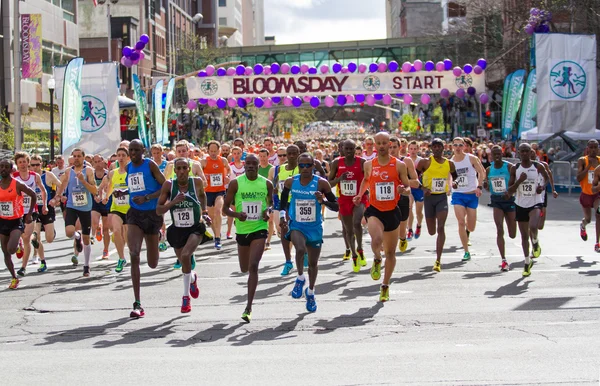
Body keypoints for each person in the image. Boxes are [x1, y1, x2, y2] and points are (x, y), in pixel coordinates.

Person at [354, 132, 410, 302]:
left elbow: (407, 186)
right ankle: (377, 258)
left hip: (392, 211)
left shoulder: (399, 165)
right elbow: (365, 180)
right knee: (377, 240)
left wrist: (403, 190)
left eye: (385, 142)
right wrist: (359, 194)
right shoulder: (369, 164)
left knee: (391, 253)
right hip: (375, 210)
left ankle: (385, 286)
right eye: (379, 143)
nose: (382, 145)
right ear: (374, 145)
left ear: (390, 144)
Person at [280, 153, 338, 312]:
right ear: (298, 166)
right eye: (302, 165)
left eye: (308, 165)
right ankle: (299, 278)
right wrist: (282, 217)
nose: (305, 168)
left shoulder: (322, 184)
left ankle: (311, 291)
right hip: (297, 225)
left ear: (314, 166)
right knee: (299, 248)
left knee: (313, 264)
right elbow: (283, 202)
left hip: (315, 227)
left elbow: (336, 206)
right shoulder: (291, 182)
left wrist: (323, 201)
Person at [118, 139, 166, 318]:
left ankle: (158, 235)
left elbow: (165, 187)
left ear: (143, 151)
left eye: (136, 150)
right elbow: (134, 189)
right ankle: (137, 302)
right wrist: (124, 192)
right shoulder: (129, 167)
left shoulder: (150, 165)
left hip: (152, 214)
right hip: (135, 214)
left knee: (153, 264)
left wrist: (147, 198)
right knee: (134, 254)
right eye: (131, 150)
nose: (133, 153)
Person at [157, 158, 211, 314]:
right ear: (175, 170)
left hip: (195, 227)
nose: (181, 171)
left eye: (184, 168)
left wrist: (205, 212)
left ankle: (185, 298)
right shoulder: (169, 185)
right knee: (184, 262)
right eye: (178, 168)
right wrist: (173, 202)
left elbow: (202, 196)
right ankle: (193, 278)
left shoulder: (197, 183)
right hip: (177, 229)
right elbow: (159, 210)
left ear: (189, 169)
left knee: (186, 256)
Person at [223, 154, 273, 322]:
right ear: (244, 166)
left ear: (259, 166)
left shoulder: (266, 183)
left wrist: (267, 212)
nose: (251, 166)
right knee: (244, 268)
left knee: (253, 266)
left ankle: (248, 307)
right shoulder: (236, 183)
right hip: (242, 231)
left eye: (254, 164)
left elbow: (271, 203)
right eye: (248, 164)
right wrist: (237, 214)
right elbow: (225, 209)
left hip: (259, 229)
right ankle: (248, 305)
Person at [50, 148, 97, 276]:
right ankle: (77, 237)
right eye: (74, 156)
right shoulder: (68, 172)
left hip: (85, 207)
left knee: (87, 238)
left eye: (78, 156)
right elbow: (62, 185)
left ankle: (86, 266)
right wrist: (57, 197)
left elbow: (94, 190)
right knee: (69, 232)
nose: (76, 158)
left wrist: (83, 180)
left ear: (83, 157)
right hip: (72, 205)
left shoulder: (88, 171)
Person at [507, 143, 549, 277]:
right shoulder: (515, 168)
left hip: (535, 202)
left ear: (531, 152)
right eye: (522, 151)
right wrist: (520, 181)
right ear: (518, 153)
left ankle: (535, 242)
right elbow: (510, 190)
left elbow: (546, 178)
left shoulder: (537, 166)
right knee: (524, 235)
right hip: (520, 204)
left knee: (533, 226)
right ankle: (527, 262)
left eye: (527, 151)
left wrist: (541, 187)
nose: (524, 153)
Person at [416, 138, 457, 272]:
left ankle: (438, 260)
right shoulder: (425, 162)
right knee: (432, 231)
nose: (437, 149)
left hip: (441, 198)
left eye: (440, 146)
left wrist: (454, 183)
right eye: (435, 146)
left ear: (444, 148)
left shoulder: (449, 164)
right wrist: (423, 188)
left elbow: (455, 177)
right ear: (431, 148)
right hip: (428, 198)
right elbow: (414, 178)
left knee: (440, 228)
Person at [329, 139, 367, 272]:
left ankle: (360, 248)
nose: (350, 151)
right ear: (342, 149)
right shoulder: (336, 163)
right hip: (344, 200)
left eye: (352, 149)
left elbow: (368, 179)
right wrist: (340, 179)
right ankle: (355, 256)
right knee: (349, 230)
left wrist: (364, 191)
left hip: (359, 199)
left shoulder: (362, 162)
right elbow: (329, 183)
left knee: (357, 223)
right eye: (347, 149)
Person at [0, 159, 36, 289]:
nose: (3, 169)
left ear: (11, 169)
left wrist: (29, 213)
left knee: (11, 248)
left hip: (16, 221)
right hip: (2, 221)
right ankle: (14, 278)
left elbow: (33, 195)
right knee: (6, 253)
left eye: (6, 167)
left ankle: (18, 244)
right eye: (1, 167)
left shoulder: (17, 184)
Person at [450, 137, 485, 261]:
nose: (458, 148)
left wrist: (479, 186)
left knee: (471, 227)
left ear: (464, 146)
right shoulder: (450, 162)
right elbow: (448, 177)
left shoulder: (471, 158)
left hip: (471, 194)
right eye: (456, 145)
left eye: (460, 145)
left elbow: (482, 172)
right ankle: (466, 251)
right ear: (452, 147)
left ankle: (467, 230)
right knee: (460, 222)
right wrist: (450, 185)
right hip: (458, 194)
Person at [13, 152, 47, 276]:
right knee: (31, 239)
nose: (22, 164)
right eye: (20, 162)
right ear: (17, 164)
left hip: (31, 211)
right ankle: (42, 259)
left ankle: (23, 267)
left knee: (26, 238)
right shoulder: (14, 177)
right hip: (18, 212)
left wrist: (45, 205)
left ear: (28, 163)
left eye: (24, 162)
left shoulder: (34, 176)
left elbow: (43, 191)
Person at [484, 146, 516, 271]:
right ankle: (503, 259)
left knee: (512, 234)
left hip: (509, 200)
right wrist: (486, 185)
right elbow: (488, 187)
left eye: (499, 154)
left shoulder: (509, 167)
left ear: (502, 154)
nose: (497, 156)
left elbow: (515, 182)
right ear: (491, 155)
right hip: (496, 201)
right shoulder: (488, 169)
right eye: (494, 154)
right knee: (499, 229)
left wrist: (510, 190)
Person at [101, 147, 130, 273]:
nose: (121, 157)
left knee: (128, 237)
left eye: (124, 155)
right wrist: (106, 197)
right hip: (116, 208)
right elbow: (110, 186)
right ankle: (121, 258)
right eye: (119, 155)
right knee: (116, 231)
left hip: (130, 209)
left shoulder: (132, 172)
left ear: (128, 157)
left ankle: (133, 256)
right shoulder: (113, 173)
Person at [273, 145, 300, 275]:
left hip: (300, 203)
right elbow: (275, 187)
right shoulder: (280, 169)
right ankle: (288, 261)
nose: (291, 156)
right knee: (284, 229)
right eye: (289, 154)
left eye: (294, 153)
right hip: (284, 204)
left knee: (299, 231)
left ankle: (304, 252)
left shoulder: (303, 167)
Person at [29, 155, 59, 273]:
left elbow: (61, 185)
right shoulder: (28, 177)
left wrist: (56, 198)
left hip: (47, 209)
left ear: (42, 164)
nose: (35, 167)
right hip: (34, 210)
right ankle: (42, 261)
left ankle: (52, 232)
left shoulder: (48, 175)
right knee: (35, 237)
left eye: (38, 164)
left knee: (49, 239)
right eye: (33, 165)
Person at [201, 141, 232, 251]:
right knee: (211, 217)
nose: (213, 153)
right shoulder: (204, 162)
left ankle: (218, 238)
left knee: (218, 211)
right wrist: (204, 178)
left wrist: (227, 176)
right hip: (208, 192)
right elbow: (198, 174)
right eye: (211, 151)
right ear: (208, 151)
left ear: (219, 151)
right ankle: (216, 235)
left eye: (215, 151)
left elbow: (228, 169)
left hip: (220, 190)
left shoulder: (223, 160)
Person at [91, 154, 111, 259]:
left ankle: (106, 250)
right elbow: (90, 188)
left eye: (99, 161)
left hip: (106, 203)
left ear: (103, 162)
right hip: (96, 203)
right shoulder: (91, 175)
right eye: (96, 162)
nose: (98, 164)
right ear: (93, 163)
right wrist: (95, 195)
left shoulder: (108, 174)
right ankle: (97, 226)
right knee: (94, 222)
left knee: (106, 229)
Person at [226, 146, 246, 239]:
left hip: (244, 191)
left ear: (241, 154)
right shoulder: (229, 166)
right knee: (232, 212)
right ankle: (229, 232)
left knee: (241, 211)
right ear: (232, 154)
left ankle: (241, 230)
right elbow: (226, 178)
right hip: (233, 191)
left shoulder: (245, 165)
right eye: (234, 153)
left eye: (238, 153)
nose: (236, 155)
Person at [407, 140, 424, 241]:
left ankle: (419, 225)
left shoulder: (421, 161)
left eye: (415, 149)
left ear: (418, 149)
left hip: (419, 188)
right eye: (411, 149)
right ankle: (409, 230)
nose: (413, 151)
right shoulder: (405, 160)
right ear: (408, 149)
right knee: (409, 207)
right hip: (409, 188)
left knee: (419, 212)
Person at [258, 148, 275, 249]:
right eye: (261, 156)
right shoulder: (256, 168)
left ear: (268, 156)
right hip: (259, 197)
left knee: (271, 220)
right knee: (262, 220)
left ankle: (268, 242)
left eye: (264, 156)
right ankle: (262, 240)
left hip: (270, 197)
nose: (262, 158)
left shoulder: (272, 168)